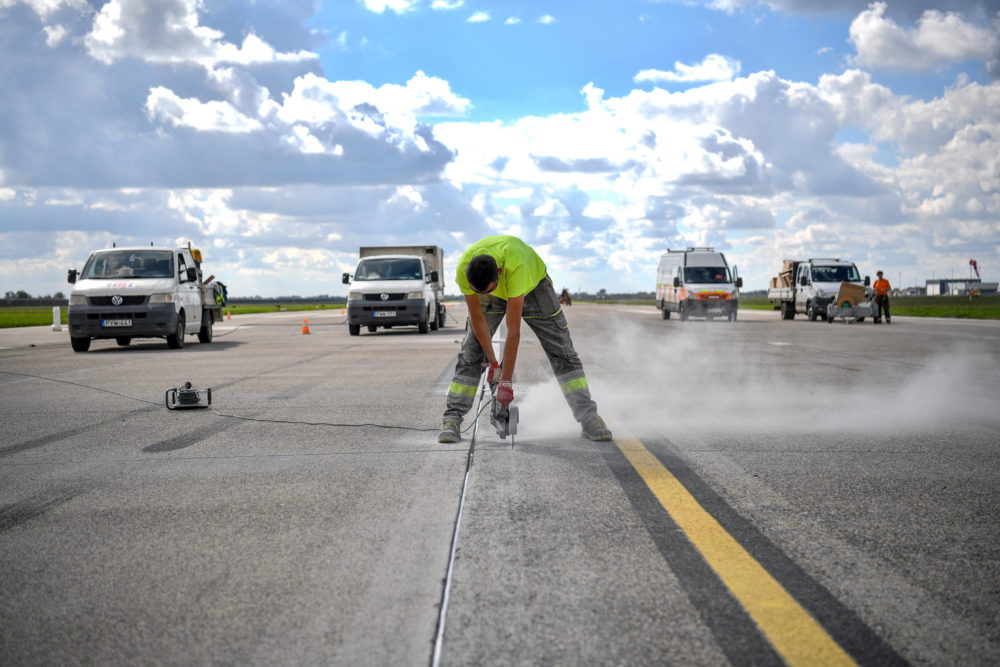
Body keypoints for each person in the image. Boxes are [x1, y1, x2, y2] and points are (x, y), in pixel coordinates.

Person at [438, 235, 612, 443]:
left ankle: (589, 418)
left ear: (500, 273)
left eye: (488, 291)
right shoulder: (464, 271)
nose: (484, 296)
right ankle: (452, 419)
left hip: (534, 288)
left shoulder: (516, 267)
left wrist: (505, 383)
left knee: (562, 352)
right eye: (479, 292)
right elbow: (477, 321)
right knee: (471, 350)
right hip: (495, 284)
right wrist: (494, 363)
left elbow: (513, 332)